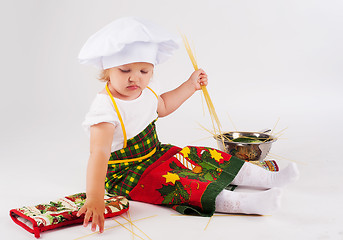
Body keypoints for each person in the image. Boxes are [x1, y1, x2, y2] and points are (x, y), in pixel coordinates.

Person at [76, 17, 299, 233]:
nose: (135, 78)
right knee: (181, 186)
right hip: (129, 173)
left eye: (144, 71)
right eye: (125, 70)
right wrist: (94, 197)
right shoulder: (106, 110)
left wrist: (190, 85)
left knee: (203, 158)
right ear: (107, 71)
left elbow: (162, 106)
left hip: (157, 153)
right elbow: (99, 153)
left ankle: (268, 178)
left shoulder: (146, 89)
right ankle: (246, 204)